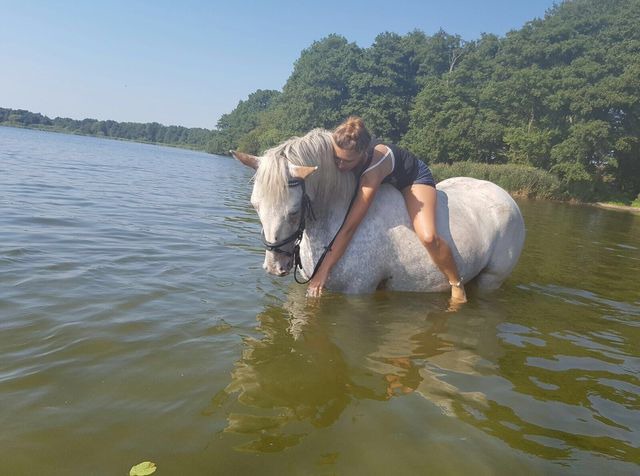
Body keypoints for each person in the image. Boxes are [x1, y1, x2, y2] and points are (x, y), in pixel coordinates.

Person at [306, 116, 467, 303]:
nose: (340, 166)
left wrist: (323, 271)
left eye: (347, 162)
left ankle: (457, 284)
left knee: (428, 236)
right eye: (336, 159)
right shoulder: (339, 153)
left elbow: (350, 227)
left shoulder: (372, 171)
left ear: (363, 154)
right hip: (384, 178)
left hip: (411, 179)